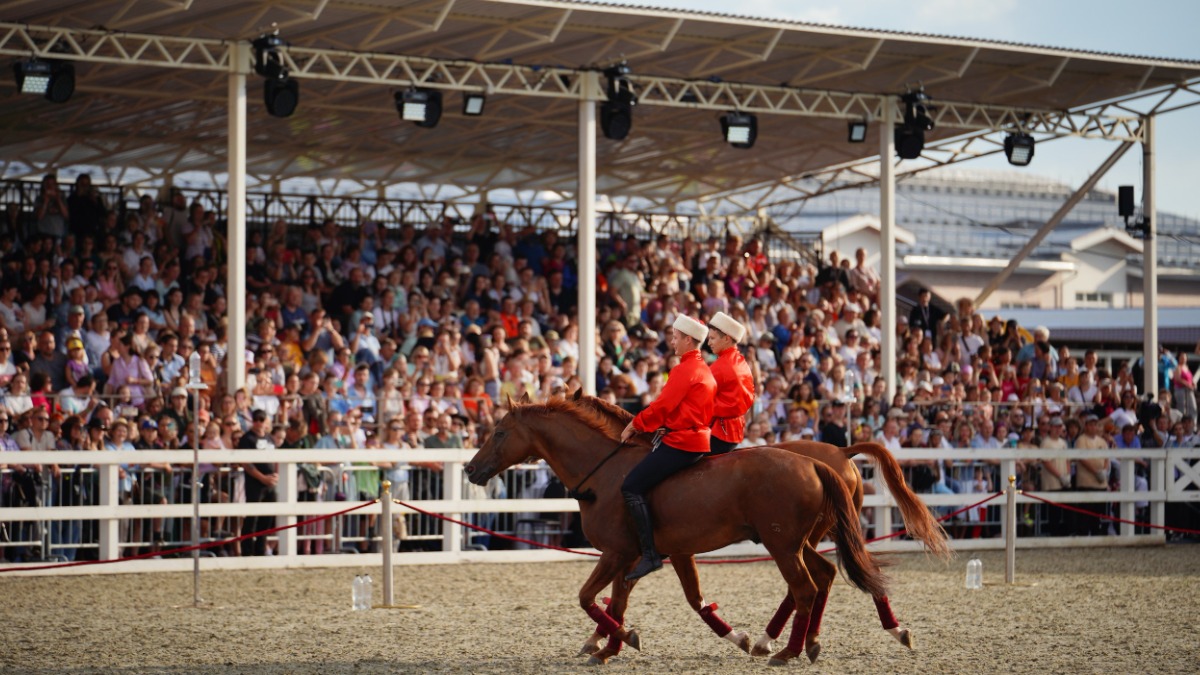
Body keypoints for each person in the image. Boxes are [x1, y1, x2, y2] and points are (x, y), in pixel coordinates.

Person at [618, 314, 716, 580]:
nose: (672, 342)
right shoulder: (703, 369)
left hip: (683, 442)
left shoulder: (684, 369)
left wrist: (635, 425)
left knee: (631, 486)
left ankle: (650, 554)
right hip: (694, 437)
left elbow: (662, 406)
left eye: (674, 337)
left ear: (688, 339)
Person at [706, 311, 755, 455]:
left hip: (718, 432)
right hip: (734, 431)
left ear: (727, 339)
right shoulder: (740, 360)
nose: (708, 343)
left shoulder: (720, 366)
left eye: (712, 338)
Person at [238, 409, 278, 556]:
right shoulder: (247, 439)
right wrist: (262, 478)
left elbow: (276, 459)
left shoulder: (270, 439)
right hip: (255, 484)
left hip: (270, 484)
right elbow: (246, 463)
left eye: (262, 419)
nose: (259, 422)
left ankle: (260, 551)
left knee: (266, 521)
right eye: (256, 419)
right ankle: (247, 552)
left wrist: (275, 476)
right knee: (251, 520)